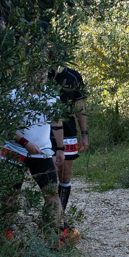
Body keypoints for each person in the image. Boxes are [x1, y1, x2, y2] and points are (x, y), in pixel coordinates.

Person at [0, 82, 64, 229]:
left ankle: (56, 232)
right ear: (29, 73)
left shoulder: (51, 95)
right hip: (14, 150)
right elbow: (7, 126)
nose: (41, 77)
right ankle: (6, 232)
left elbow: (56, 122)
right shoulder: (14, 95)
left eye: (44, 73)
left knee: (52, 194)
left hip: (42, 152)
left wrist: (60, 148)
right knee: (10, 195)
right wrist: (25, 143)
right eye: (37, 72)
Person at [50, 63, 89, 217]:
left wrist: (84, 134)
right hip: (46, 130)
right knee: (51, 175)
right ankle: (51, 214)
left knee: (65, 174)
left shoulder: (74, 76)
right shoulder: (40, 74)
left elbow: (80, 106)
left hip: (68, 130)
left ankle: (60, 216)